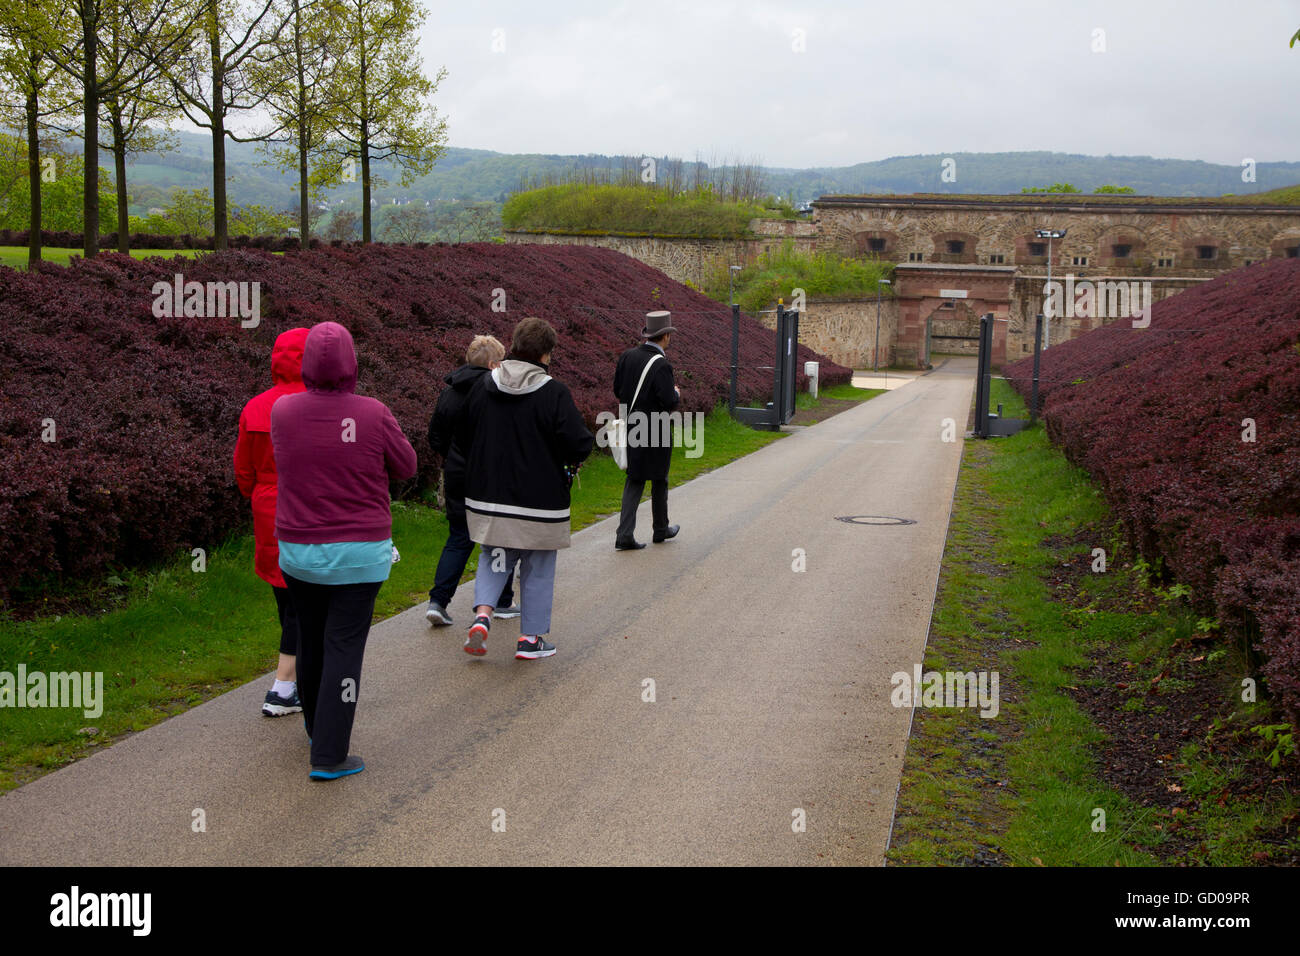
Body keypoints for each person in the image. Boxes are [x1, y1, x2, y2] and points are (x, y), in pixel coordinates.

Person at [271, 322, 417, 780]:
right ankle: (330, 754)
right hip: (359, 552)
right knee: (344, 649)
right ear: (352, 362)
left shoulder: (283, 411)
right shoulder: (373, 413)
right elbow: (407, 466)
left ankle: (319, 729)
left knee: (311, 640)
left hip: (298, 549)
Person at [456, 317, 594, 660]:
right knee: (538, 567)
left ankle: (483, 614)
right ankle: (530, 640)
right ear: (546, 354)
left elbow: (462, 434)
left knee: (493, 556)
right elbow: (578, 443)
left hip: (489, 496)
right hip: (540, 500)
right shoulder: (554, 393)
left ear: (514, 345)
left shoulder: (483, 386)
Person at [234, 326, 311, 718]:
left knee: (286, 597)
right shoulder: (320, 404)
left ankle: (292, 680)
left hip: (268, 507)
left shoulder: (256, 406)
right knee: (304, 600)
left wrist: (259, 493)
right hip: (307, 507)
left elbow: (242, 469)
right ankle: (283, 688)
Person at [424, 335, 518, 627]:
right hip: (489, 474)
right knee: (498, 537)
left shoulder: (449, 392)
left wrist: (453, 458)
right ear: (492, 363)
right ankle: (501, 601)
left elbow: (435, 437)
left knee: (459, 537)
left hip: (455, 472)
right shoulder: (494, 392)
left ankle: (438, 601)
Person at [613, 310, 681, 551]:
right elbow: (668, 401)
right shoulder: (662, 365)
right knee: (660, 477)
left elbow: (618, 391)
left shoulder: (627, 356)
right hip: (657, 428)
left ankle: (624, 533)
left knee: (635, 478)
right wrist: (677, 394)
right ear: (664, 337)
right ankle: (660, 528)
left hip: (633, 424)